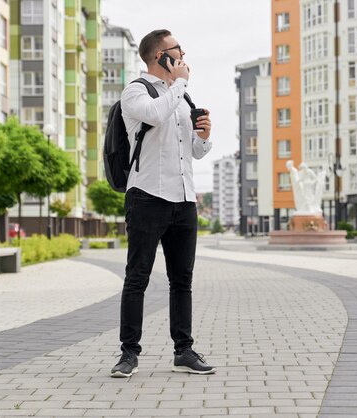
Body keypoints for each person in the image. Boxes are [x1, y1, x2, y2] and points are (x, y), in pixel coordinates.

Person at [110, 29, 215, 378]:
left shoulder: (179, 99)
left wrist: (204, 136)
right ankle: (128, 353)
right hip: (147, 198)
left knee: (181, 280)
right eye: (177, 51)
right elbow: (154, 115)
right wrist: (180, 84)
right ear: (161, 57)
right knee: (137, 277)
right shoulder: (136, 92)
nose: (183, 56)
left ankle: (183, 350)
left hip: (184, 200)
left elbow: (194, 152)